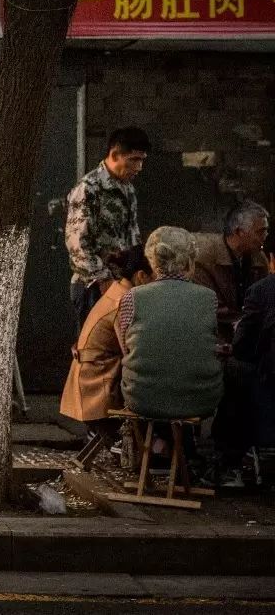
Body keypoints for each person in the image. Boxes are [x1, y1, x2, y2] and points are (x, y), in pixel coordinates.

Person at [115, 226, 223, 421]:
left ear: (152, 260)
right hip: (200, 400)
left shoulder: (132, 297)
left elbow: (126, 348)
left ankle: (158, 444)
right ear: (190, 261)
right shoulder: (209, 298)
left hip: (141, 399)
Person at [60, 244, 153, 443]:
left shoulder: (116, 292)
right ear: (142, 276)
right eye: (155, 277)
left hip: (88, 385)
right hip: (97, 393)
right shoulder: (125, 300)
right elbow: (131, 352)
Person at [65, 127, 150, 328]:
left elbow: (132, 236)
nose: (139, 168)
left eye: (142, 161)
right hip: (93, 286)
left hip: (122, 284)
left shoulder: (127, 188)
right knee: (94, 353)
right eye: (134, 160)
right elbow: (77, 244)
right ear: (114, 155)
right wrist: (104, 281)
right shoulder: (89, 188)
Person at [212, 268, 275, 488]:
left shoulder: (262, 290)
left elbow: (242, 346)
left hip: (267, 380)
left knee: (236, 370)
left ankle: (231, 462)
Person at [192, 200, 269, 336]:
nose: (265, 236)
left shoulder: (260, 259)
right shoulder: (205, 257)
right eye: (260, 231)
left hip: (248, 335)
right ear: (239, 232)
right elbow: (207, 304)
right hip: (212, 336)